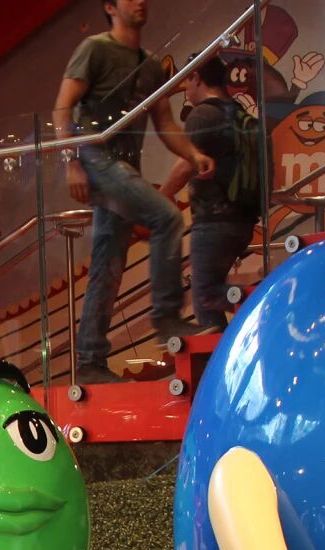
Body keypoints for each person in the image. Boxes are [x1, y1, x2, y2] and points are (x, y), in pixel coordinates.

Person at [54, 0, 212, 382]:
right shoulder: (94, 49)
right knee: (167, 217)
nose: (140, 1)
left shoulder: (150, 64)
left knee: (107, 264)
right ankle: (166, 317)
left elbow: (165, 122)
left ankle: (89, 361)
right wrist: (72, 161)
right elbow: (62, 108)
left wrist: (192, 154)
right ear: (110, 7)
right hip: (98, 159)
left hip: (124, 165)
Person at [160, 58, 262, 332]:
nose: (185, 89)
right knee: (212, 292)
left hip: (213, 220)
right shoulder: (239, 114)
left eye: (186, 81)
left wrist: (162, 195)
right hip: (242, 220)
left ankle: (266, 302)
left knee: (205, 295)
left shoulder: (204, 114)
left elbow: (186, 164)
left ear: (196, 77)